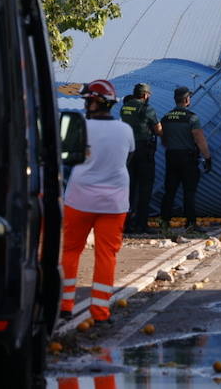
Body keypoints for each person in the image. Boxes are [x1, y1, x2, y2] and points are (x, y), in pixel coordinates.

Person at [61, 80, 135, 323]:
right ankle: (100, 312)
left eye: (87, 101)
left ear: (95, 102)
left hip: (79, 199)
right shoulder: (125, 130)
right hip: (114, 203)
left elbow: (66, 157)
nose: (85, 105)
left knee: (71, 251)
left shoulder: (80, 126)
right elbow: (128, 155)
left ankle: (65, 305)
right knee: (106, 256)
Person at [158, 87, 213, 236]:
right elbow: (199, 138)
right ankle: (190, 224)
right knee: (189, 192)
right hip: (188, 158)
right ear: (187, 100)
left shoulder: (166, 117)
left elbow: (162, 136)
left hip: (171, 156)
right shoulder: (192, 117)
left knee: (169, 191)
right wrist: (207, 157)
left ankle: (164, 223)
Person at [119, 82, 162, 235]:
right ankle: (141, 224)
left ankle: (126, 224)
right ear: (144, 95)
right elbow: (158, 130)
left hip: (128, 151)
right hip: (144, 150)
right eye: (148, 95)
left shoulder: (125, 107)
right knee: (145, 188)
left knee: (129, 188)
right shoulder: (147, 108)